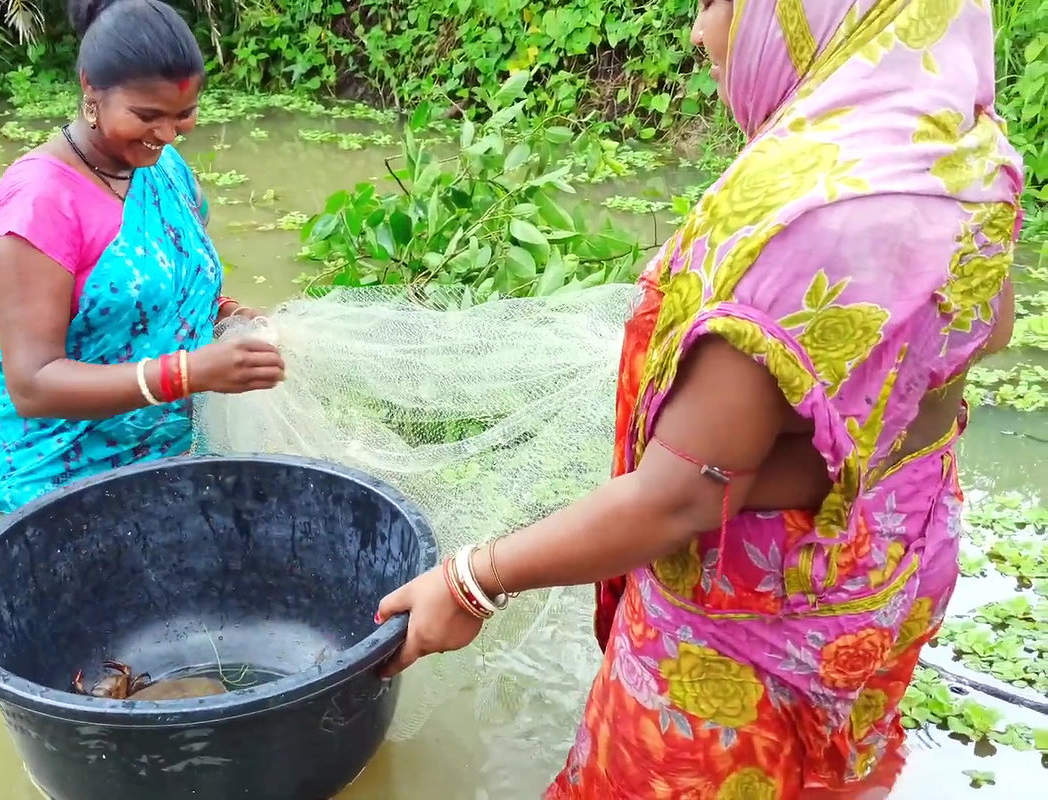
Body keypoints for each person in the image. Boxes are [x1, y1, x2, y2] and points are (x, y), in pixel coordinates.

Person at [375, 0, 1023, 797]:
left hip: (752, 623)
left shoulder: (810, 210)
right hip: (887, 569)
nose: (697, 32)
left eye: (714, 3)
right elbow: (986, 336)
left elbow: (683, 497)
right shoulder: (965, 151)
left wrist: (471, 580)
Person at [0, 0, 284, 514]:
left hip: (170, 440)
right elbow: (33, 383)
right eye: (146, 116)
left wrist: (228, 313)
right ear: (90, 90)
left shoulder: (165, 168)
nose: (166, 134)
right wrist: (190, 373)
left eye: (184, 115)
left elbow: (180, 281)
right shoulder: (39, 201)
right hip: (62, 461)